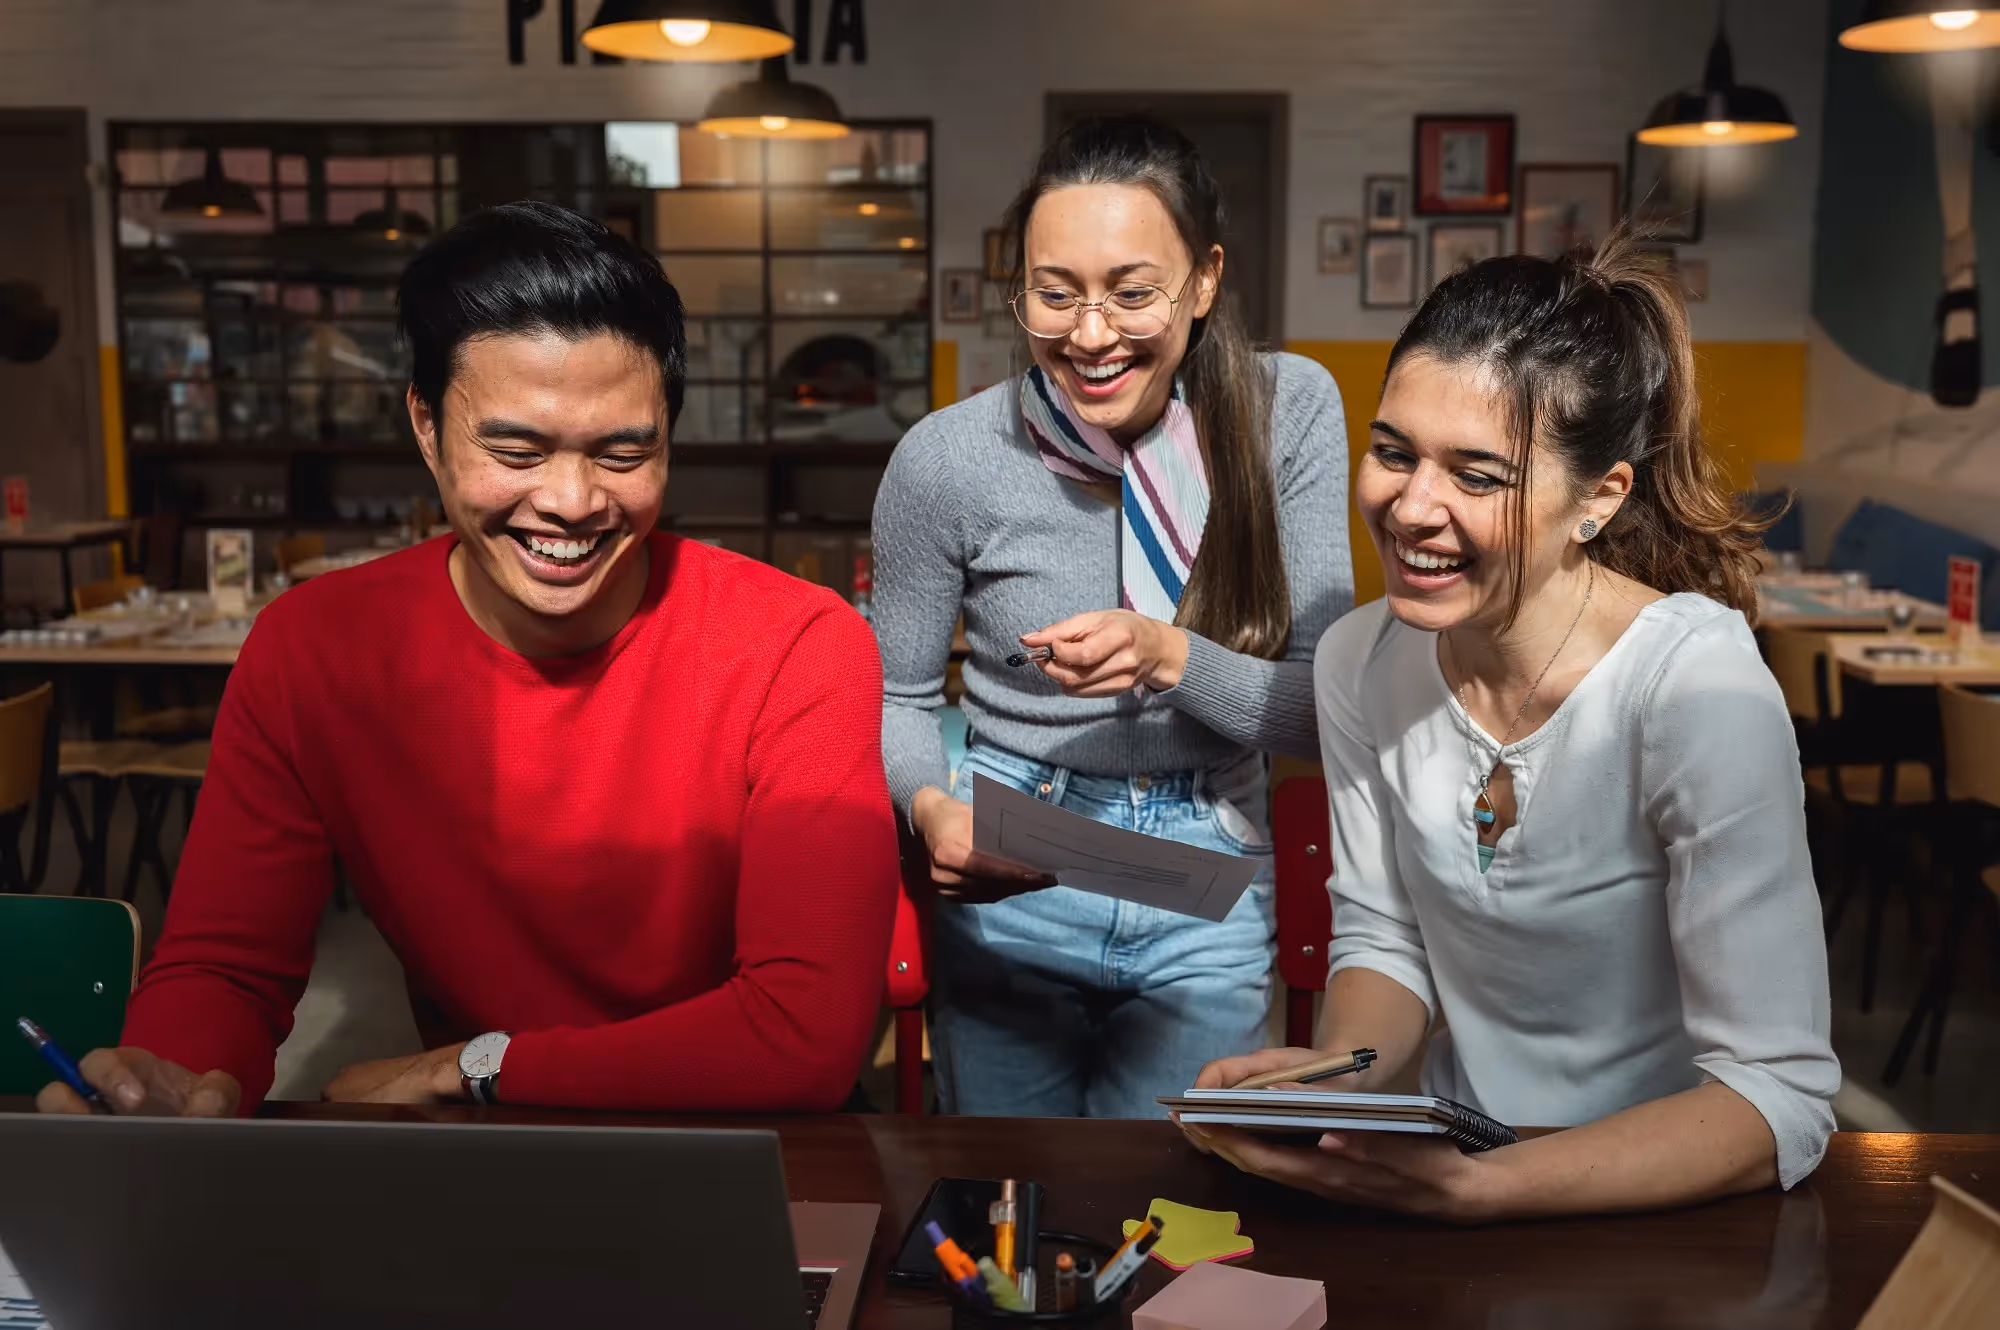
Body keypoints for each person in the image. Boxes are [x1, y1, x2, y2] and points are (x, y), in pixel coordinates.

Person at [36, 202, 897, 1119]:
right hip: (489, 1157)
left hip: (746, 1145)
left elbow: (804, 1033)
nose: (572, 501)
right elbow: (226, 967)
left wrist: (477, 1067)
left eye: (623, 451)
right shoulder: (315, 650)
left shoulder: (796, 643)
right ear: (426, 425)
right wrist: (170, 1076)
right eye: (516, 449)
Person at [1184, 231, 1839, 1219]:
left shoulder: (1694, 686)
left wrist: (1486, 1189)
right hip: (1458, 1173)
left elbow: (1775, 1092)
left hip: (1660, 1206)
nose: (1410, 507)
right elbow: (1386, 941)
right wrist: (1333, 1079)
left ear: (1597, 498)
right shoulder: (1360, 660)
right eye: (1392, 452)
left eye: (1476, 476)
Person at [873, 116, 1352, 1119]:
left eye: (1133, 293)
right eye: (1054, 294)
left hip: (1207, 866)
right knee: (1009, 1220)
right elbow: (898, 696)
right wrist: (929, 812)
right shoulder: (944, 457)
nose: (1089, 335)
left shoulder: (1285, 413)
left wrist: (1170, 655)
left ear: (1205, 280)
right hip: (1014, 858)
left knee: (1176, 1219)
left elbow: (1320, 712)